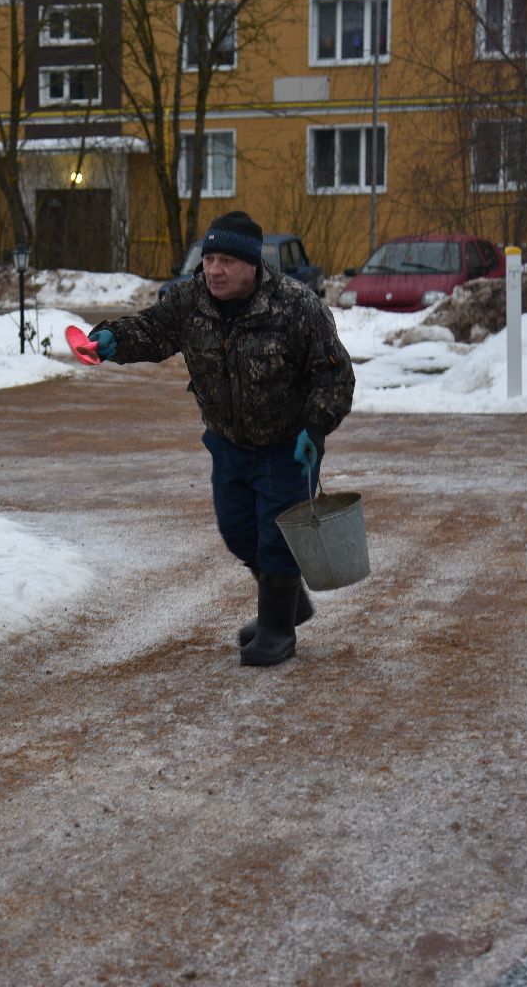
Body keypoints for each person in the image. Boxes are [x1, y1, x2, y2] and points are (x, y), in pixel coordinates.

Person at [81, 210, 355, 666]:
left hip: (288, 445)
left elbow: (334, 374)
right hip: (228, 444)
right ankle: (288, 604)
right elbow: (153, 330)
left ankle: (276, 629)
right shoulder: (190, 301)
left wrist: (315, 427)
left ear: (252, 264)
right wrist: (111, 338)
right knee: (238, 533)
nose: (214, 270)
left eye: (226, 260)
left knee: (277, 539)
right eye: (209, 259)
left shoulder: (295, 306)